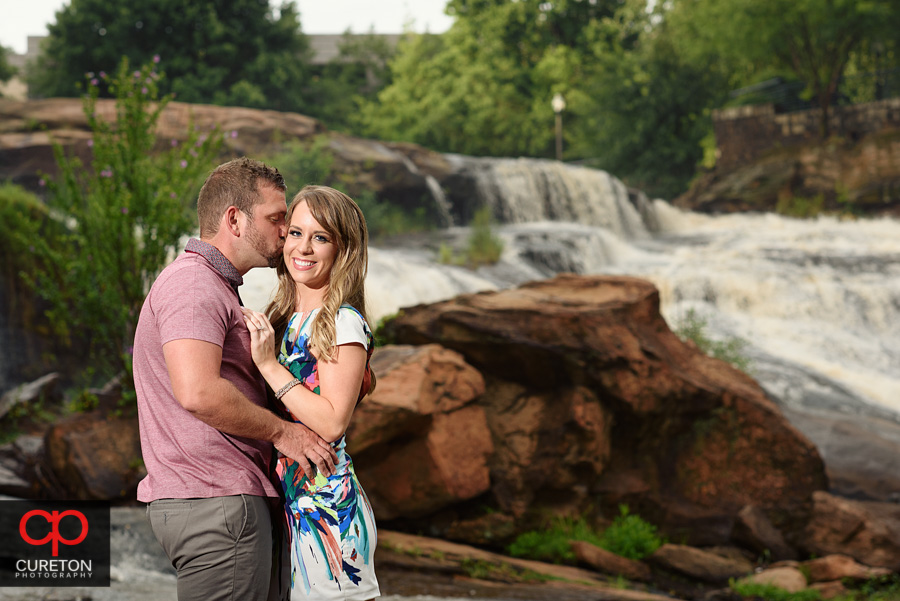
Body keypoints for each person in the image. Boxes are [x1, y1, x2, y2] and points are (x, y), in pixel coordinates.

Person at [133, 158, 338, 601]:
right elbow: (198, 392)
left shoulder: (213, 286)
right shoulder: (193, 285)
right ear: (234, 219)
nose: (286, 232)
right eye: (276, 218)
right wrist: (285, 433)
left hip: (220, 502)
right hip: (216, 504)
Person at [241, 185, 380, 600]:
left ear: (343, 249)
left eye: (320, 237)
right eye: (296, 233)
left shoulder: (342, 321)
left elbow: (332, 421)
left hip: (328, 513)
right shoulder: (283, 317)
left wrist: (268, 365)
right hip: (289, 507)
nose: (303, 247)